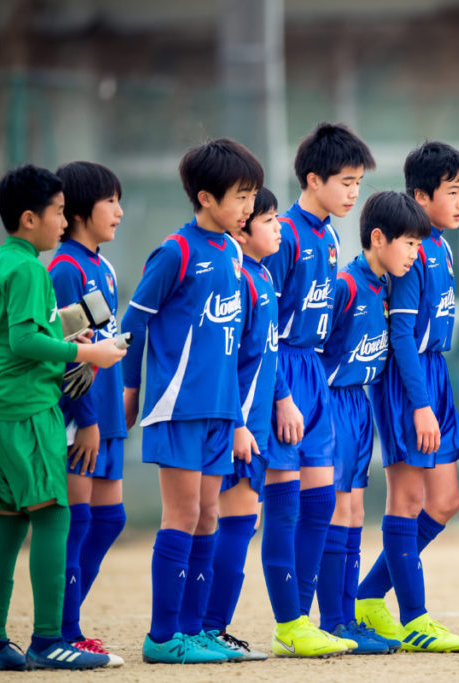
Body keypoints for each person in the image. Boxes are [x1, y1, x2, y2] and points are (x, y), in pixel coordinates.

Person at [0, 165, 125, 671]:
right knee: (54, 514)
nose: (63, 221)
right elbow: (22, 342)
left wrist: (69, 334)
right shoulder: (30, 269)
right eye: (58, 211)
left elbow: (17, 332)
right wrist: (84, 354)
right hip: (23, 409)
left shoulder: (2, 263)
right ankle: (47, 639)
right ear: (28, 217)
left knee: (10, 523)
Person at [122, 138, 265, 663]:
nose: (249, 207)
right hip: (177, 407)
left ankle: (193, 631)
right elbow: (132, 325)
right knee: (182, 514)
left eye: (252, 195)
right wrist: (131, 393)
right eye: (241, 196)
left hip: (219, 409)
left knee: (209, 516)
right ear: (205, 197)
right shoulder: (175, 252)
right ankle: (162, 638)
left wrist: (237, 414)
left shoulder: (231, 249)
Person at [357, 141, 459, 651]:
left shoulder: (441, 247)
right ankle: (414, 618)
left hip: (434, 373)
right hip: (409, 382)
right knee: (406, 498)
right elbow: (401, 335)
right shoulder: (414, 250)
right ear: (420, 196)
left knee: (445, 501)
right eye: (452, 192)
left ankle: (368, 595)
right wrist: (420, 403)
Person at [262, 123, 374, 656]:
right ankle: (289, 621)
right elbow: (265, 325)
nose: (354, 192)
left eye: (358, 183)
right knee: (283, 504)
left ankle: (310, 620)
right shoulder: (281, 234)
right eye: (346, 181)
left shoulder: (329, 236)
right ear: (313, 178)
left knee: (322, 502)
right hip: (283, 369)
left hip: (315, 376)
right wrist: (282, 393)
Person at [314, 191, 430, 653]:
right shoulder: (345, 285)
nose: (413, 253)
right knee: (338, 511)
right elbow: (315, 351)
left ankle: (348, 619)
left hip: (360, 405)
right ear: (377, 238)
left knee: (357, 512)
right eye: (406, 243)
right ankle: (334, 620)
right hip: (334, 403)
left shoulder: (388, 285)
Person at [199, 187, 297, 659]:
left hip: (256, 423)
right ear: (243, 227)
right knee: (231, 523)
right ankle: (204, 627)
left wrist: (281, 399)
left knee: (240, 523)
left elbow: (266, 354)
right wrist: (238, 423)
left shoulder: (260, 276)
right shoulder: (237, 277)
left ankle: (211, 627)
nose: (278, 228)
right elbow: (226, 359)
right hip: (236, 425)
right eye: (269, 220)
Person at [48, 161, 129, 663]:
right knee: (78, 523)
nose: (120, 212)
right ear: (79, 212)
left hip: (106, 414)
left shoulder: (102, 266)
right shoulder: (65, 269)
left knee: (110, 519)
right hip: (81, 419)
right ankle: (64, 630)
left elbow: (103, 339)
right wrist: (87, 419)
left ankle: (67, 622)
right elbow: (66, 351)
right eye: (110, 202)